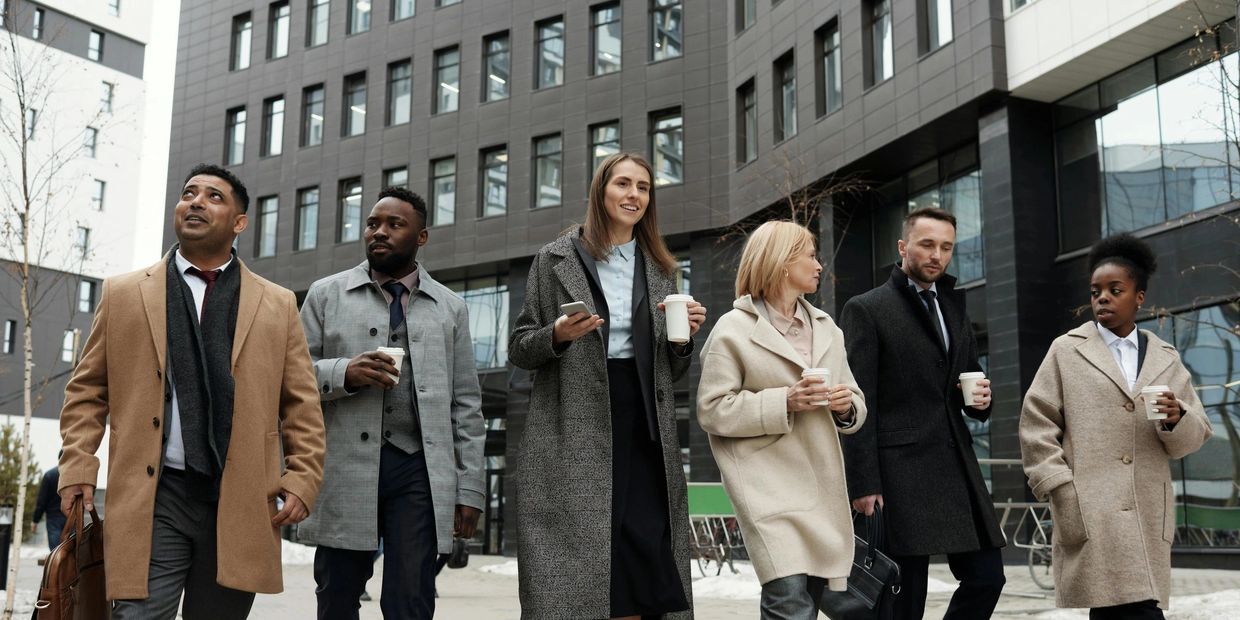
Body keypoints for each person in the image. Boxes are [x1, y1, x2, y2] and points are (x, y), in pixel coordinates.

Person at [56, 164, 326, 619]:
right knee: (138, 615)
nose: (196, 202)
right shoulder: (124, 294)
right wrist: (78, 464)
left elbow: (301, 401)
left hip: (240, 498)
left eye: (214, 197)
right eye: (189, 194)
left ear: (239, 223)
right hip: (154, 494)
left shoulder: (277, 304)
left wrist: (303, 477)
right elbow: (87, 389)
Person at [509, 152, 706, 620]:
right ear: (601, 191)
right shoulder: (554, 259)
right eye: (623, 184)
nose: (633, 195)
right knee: (593, 565)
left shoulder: (661, 268)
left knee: (644, 553)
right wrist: (557, 335)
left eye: (643, 187)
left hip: (644, 425)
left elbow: (670, 373)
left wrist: (683, 342)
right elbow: (519, 348)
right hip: (573, 425)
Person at [298, 186, 485, 620]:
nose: (379, 232)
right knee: (336, 593)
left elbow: (467, 405)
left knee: (411, 598)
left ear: (421, 237)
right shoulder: (325, 294)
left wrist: (470, 488)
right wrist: (342, 372)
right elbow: (289, 376)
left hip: (417, 468)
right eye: (372, 224)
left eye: (394, 224)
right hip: (344, 465)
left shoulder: (450, 308)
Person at [1020, 234, 1213, 618]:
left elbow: (1195, 434)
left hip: (1146, 508)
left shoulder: (1165, 357)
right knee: (1120, 608)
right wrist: (1060, 487)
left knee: (1130, 608)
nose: (1102, 298)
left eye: (1115, 289)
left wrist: (1177, 418)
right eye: (1095, 291)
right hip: (1091, 509)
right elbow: (1036, 423)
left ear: (1139, 297)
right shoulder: (1067, 350)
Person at [838, 207, 1005, 619]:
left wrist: (981, 400)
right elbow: (861, 403)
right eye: (927, 244)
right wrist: (863, 483)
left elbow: (968, 376)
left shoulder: (954, 307)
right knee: (903, 599)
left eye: (946, 247)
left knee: (988, 576)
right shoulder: (867, 308)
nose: (937, 255)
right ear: (903, 246)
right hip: (898, 475)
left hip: (955, 466)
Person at [696, 221, 866, 619]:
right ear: (782, 262)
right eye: (810, 254)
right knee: (789, 601)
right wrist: (785, 401)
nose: (818, 264)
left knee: (828, 600)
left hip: (821, 485)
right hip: (765, 485)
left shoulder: (827, 328)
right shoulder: (733, 330)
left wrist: (845, 407)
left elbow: (855, 400)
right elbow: (712, 408)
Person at [32, 455, 66, 551]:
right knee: (71, 550)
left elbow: (41, 501)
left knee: (55, 551)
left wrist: (35, 520)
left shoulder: (49, 475)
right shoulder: (75, 476)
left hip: (53, 517)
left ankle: (56, 565)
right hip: (71, 516)